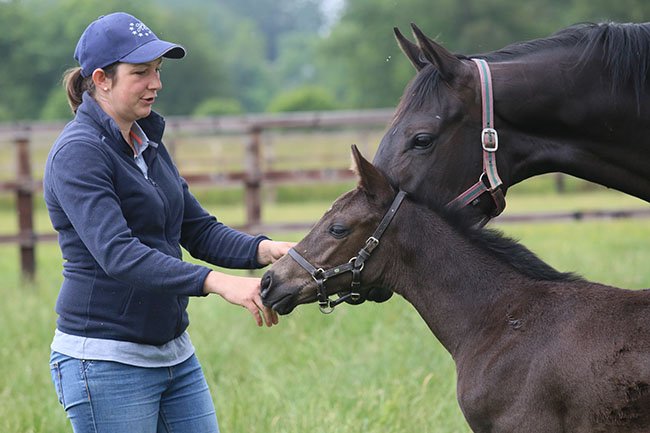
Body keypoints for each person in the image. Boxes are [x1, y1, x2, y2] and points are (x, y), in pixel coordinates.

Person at [44, 12, 292, 433]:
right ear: (101, 79)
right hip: (105, 362)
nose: (156, 83)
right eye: (140, 72)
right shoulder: (78, 153)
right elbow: (119, 254)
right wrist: (217, 282)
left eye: (157, 70)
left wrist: (268, 250)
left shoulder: (145, 142)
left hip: (174, 354)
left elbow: (197, 229)